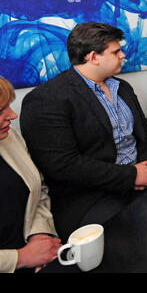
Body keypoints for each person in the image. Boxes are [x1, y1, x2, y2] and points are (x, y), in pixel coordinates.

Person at [20, 22, 147, 241]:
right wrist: (131, 176)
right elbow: (63, 166)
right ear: (93, 57)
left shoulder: (122, 88)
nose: (123, 55)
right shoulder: (47, 99)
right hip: (92, 197)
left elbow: (144, 132)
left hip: (144, 177)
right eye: (116, 51)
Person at [0, 76, 61, 273]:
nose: (12, 115)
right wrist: (20, 258)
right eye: (1, 111)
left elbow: (38, 190)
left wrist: (40, 235)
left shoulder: (10, 137)